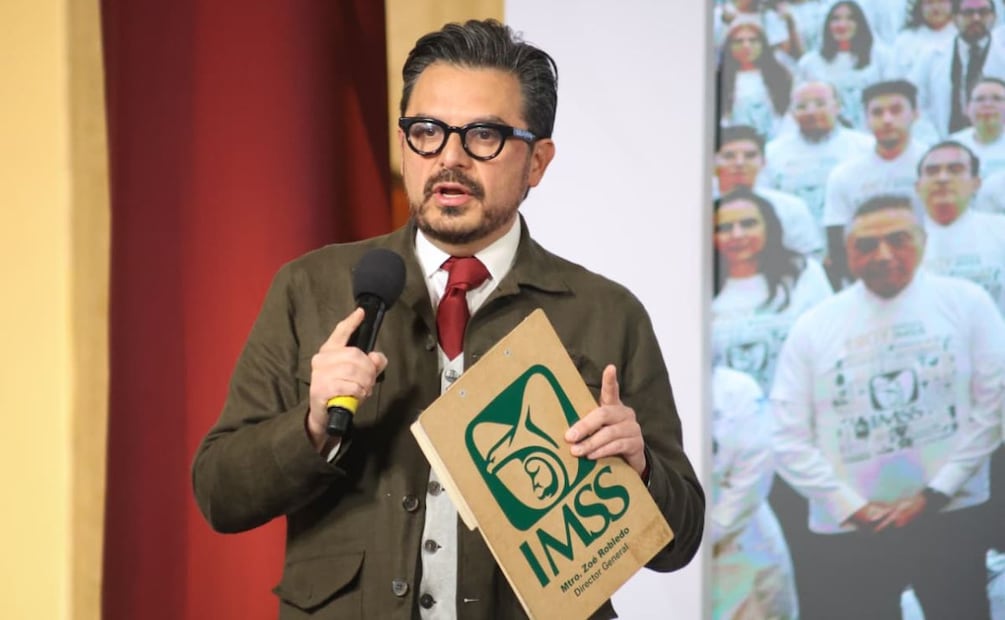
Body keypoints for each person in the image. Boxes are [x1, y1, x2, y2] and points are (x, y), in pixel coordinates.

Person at [190, 19, 704, 620]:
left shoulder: (605, 312)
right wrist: (310, 426)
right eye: (427, 131)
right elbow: (219, 493)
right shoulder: (311, 287)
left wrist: (638, 469)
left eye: (483, 135)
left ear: (537, 161)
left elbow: (681, 540)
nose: (449, 159)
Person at [771, 194, 1005, 619]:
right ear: (846, 253)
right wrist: (850, 506)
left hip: (950, 515)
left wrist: (935, 494)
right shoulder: (814, 326)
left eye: (898, 239)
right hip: (852, 528)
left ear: (922, 239)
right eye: (866, 245)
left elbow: (994, 408)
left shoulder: (967, 303)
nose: (883, 255)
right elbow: (786, 435)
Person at [712, 188, 833, 396]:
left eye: (748, 224)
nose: (737, 234)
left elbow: (828, 343)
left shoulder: (804, 273)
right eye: (725, 227)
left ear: (769, 227)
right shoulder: (699, 285)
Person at [710, 364, 798, 620]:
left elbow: (754, 471)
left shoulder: (736, 390)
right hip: (686, 561)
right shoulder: (647, 395)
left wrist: (707, 532)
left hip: (743, 547)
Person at [823, 79, 930, 287]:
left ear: (916, 113)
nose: (887, 119)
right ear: (866, 119)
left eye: (896, 110)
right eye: (877, 113)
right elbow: (838, 242)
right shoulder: (845, 174)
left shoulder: (934, 166)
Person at [761, 80, 873, 231]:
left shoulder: (866, 147)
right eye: (802, 107)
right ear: (791, 113)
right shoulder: (771, 153)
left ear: (837, 106)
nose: (811, 112)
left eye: (820, 104)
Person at [918, 139, 1005, 314]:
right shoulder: (899, 241)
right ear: (917, 186)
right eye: (932, 171)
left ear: (976, 183)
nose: (942, 179)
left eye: (955, 170)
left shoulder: (1000, 230)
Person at [714, 124, 823, 257]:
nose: (740, 163)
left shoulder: (791, 207)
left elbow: (808, 259)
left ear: (763, 162)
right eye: (729, 156)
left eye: (750, 155)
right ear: (713, 162)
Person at [912, 0, 1005, 137]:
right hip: (943, 142)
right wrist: (932, 139)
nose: (976, 18)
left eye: (983, 12)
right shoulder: (931, 56)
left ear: (994, 17)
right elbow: (916, 102)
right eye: (968, 13)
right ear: (954, 18)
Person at [797, 1, 894, 132]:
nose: (842, 25)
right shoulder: (809, 63)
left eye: (850, 18)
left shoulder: (881, 57)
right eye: (836, 19)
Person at [719, 21, 795, 140]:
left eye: (753, 40)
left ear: (763, 44)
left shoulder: (780, 75)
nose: (746, 46)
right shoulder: (720, 79)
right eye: (739, 41)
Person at [949, 76, 1005, 177]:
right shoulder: (952, 144)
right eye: (980, 99)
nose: (988, 104)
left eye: (997, 99)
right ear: (967, 108)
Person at [891, 0, 959, 78]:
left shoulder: (962, 37)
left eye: (941, 1)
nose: (935, 8)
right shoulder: (905, 40)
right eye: (929, 2)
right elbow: (893, 79)